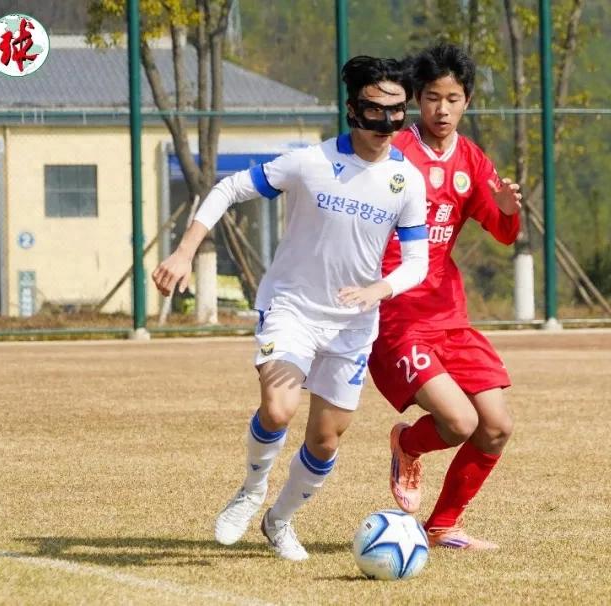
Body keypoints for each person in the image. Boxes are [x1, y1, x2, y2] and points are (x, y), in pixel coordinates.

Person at [152, 55, 428, 562]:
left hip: (353, 327)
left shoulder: (408, 182)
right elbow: (228, 188)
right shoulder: (311, 162)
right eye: (375, 112)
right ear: (352, 111)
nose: (387, 125)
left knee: (325, 442)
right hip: (293, 309)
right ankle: (252, 488)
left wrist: (380, 290)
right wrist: (184, 250)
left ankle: (278, 520)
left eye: (397, 114)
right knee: (279, 408)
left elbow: (417, 262)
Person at [367, 43, 522, 551]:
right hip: (397, 315)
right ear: (415, 100)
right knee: (458, 422)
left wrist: (505, 209)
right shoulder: (393, 154)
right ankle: (407, 443)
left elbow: (503, 233)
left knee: (496, 426)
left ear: (467, 101)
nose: (442, 110)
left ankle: (441, 526)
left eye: (452, 99)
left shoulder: (472, 160)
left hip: (448, 314)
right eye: (432, 97)